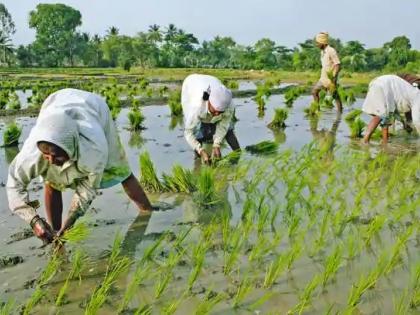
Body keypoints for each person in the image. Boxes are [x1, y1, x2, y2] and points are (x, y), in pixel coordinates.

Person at [7, 89, 153, 244]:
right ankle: (55, 233)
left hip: (93, 108)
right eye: (46, 155)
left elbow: (87, 189)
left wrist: (70, 221)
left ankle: (148, 211)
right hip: (54, 105)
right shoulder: (32, 153)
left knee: (120, 169)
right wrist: (33, 220)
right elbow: (14, 185)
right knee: (52, 180)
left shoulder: (94, 148)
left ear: (70, 146)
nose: (51, 160)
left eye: (56, 155)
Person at [181, 74, 240, 164]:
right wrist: (201, 150)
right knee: (197, 132)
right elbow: (188, 132)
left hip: (212, 80)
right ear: (209, 101)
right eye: (215, 110)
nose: (216, 114)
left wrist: (216, 145)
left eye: (220, 112)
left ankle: (238, 156)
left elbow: (223, 126)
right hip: (190, 85)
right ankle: (199, 158)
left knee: (228, 129)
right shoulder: (196, 106)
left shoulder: (229, 105)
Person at [362, 74, 420, 143]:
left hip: (377, 82)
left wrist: (404, 124)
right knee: (380, 115)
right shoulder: (417, 95)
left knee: (385, 116)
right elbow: (417, 121)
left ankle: (385, 142)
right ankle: (365, 140)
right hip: (384, 86)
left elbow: (394, 113)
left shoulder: (409, 91)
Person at [312, 32, 343, 112]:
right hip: (323, 78)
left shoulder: (331, 50)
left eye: (318, 43)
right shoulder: (322, 51)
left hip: (330, 79)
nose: (317, 45)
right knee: (314, 91)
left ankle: (340, 112)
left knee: (335, 96)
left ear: (323, 42)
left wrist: (334, 78)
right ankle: (317, 109)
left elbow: (337, 64)